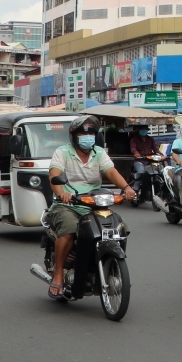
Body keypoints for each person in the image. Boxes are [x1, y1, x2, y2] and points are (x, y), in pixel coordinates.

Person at [48, 116, 135, 299]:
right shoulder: (62, 152)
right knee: (70, 230)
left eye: (91, 133)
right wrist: (61, 193)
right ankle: (58, 274)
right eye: (83, 133)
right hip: (68, 204)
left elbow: (110, 172)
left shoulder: (99, 153)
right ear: (74, 136)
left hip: (93, 204)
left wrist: (126, 188)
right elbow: (54, 174)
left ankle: (108, 267)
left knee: (120, 228)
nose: (87, 136)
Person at [128, 125, 158, 202]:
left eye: (145, 130)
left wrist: (161, 155)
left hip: (149, 161)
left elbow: (156, 150)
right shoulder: (134, 139)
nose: (144, 131)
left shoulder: (150, 139)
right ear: (138, 131)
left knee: (157, 172)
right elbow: (133, 148)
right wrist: (136, 153)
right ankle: (136, 189)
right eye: (142, 130)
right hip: (139, 161)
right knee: (141, 172)